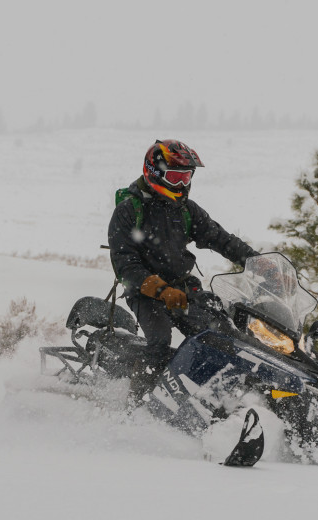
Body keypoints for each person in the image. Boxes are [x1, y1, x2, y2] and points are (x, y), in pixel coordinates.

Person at [108, 139, 257, 404]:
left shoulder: (186, 210)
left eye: (186, 177)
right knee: (159, 342)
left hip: (184, 289)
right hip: (146, 292)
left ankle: (217, 400)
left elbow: (220, 238)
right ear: (154, 173)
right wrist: (161, 290)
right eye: (175, 177)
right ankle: (137, 404)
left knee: (222, 336)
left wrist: (255, 261)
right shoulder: (129, 211)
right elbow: (125, 266)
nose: (181, 184)